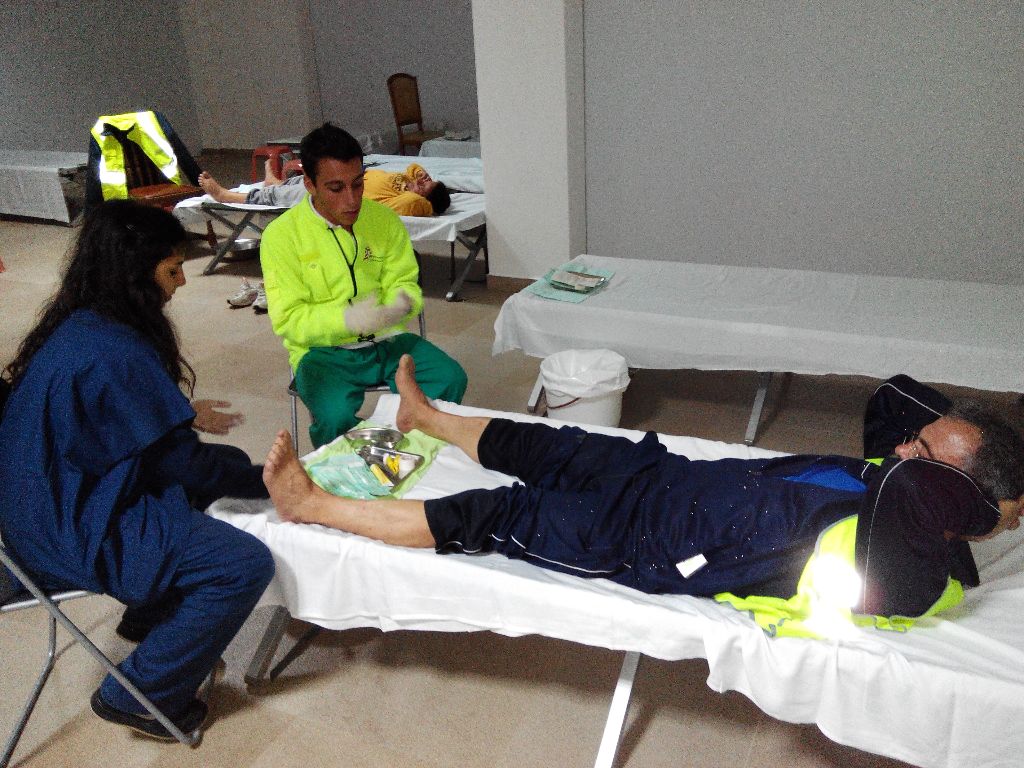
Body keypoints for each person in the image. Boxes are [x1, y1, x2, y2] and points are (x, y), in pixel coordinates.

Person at [262, 355, 1024, 634]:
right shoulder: (896, 476)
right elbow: (896, 397)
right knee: (558, 444)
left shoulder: (912, 566)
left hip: (649, 543)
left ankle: (312, 506)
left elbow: (913, 496)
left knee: (495, 513)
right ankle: (427, 419)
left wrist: (993, 513)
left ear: (952, 503)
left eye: (922, 454)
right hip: (668, 478)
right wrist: (969, 472)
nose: (901, 449)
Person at [0, 200, 275, 740]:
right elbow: (185, 463)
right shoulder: (114, 350)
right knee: (242, 562)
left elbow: (157, 446)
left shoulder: (83, 324)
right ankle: (141, 696)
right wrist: (270, 479)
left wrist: (239, 467)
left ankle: (149, 613)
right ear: (135, 274)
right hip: (60, 528)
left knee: (217, 473)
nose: (181, 283)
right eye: (172, 270)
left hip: (37, 506)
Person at [259, 123, 467, 448]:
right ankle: (354, 466)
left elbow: (404, 282)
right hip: (322, 353)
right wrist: (348, 320)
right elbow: (289, 319)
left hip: (387, 340)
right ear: (309, 184)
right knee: (335, 416)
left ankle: (409, 452)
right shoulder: (281, 237)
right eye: (336, 188)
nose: (352, 199)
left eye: (358, 184)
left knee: (449, 378)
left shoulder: (384, 220)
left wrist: (401, 303)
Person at [198, 159, 452, 216]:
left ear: (424, 200)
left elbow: (415, 204)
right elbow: (414, 167)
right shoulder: (409, 182)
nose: (421, 181)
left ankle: (225, 195)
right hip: (345, 178)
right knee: (299, 181)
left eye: (425, 186)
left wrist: (420, 194)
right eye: (426, 180)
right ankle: (275, 182)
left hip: (335, 195)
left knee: (283, 195)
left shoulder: (407, 201)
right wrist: (420, 178)